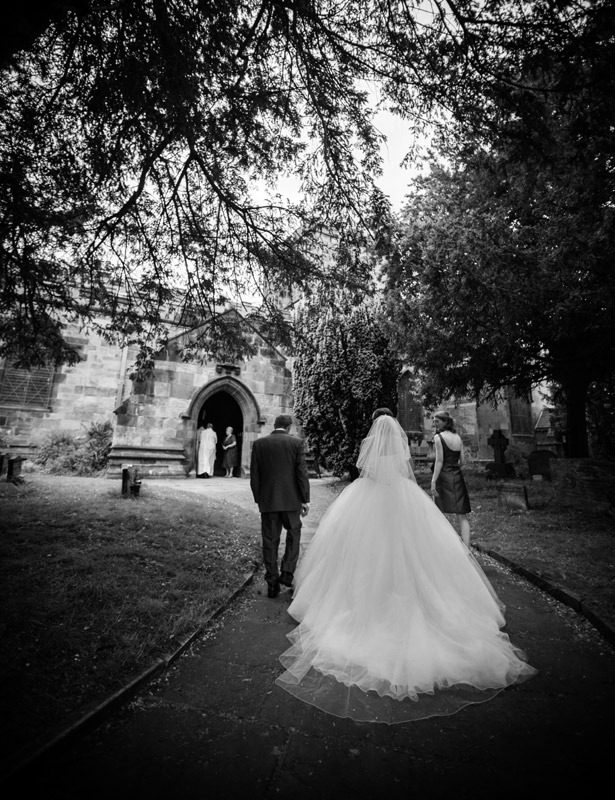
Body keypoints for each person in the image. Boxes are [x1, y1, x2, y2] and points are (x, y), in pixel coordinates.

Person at [275, 409, 536, 723]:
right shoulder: (400, 448)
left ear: (374, 428)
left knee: (362, 556)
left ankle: (362, 604)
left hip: (370, 501)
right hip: (401, 499)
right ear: (396, 431)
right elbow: (406, 474)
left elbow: (366, 473)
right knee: (414, 554)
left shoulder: (368, 443)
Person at [250, 414, 310, 598]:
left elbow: (255, 476)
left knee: (270, 540)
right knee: (294, 534)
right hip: (291, 500)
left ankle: (272, 583)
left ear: (274, 425)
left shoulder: (259, 444)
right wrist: (305, 499)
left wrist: (259, 499)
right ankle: (287, 573)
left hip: (268, 501)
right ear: (289, 427)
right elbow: (301, 473)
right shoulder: (296, 443)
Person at [431, 410, 471, 547]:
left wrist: (433, 480)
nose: (434, 424)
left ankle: (445, 547)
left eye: (437, 421)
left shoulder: (438, 437)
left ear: (445, 422)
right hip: (457, 475)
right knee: (462, 514)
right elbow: (463, 462)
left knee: (440, 513)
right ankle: (467, 548)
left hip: (443, 476)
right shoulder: (457, 437)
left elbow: (439, 461)